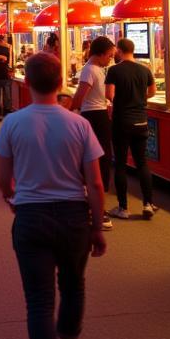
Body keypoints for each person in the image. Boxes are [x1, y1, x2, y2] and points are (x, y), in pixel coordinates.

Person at [0, 52, 107, 339]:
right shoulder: (78, 125)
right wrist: (95, 225)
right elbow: (94, 182)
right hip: (74, 216)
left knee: (40, 302)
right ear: (62, 83)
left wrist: (14, 199)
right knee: (73, 287)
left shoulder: (13, 123)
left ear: (26, 81)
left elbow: (3, 178)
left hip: (31, 217)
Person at [105, 38, 157, 221]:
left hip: (121, 122)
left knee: (120, 164)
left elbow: (109, 95)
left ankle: (123, 207)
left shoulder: (114, 70)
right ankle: (148, 204)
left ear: (119, 50)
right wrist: (139, 97)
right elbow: (153, 91)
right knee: (142, 163)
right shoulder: (145, 70)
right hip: (141, 122)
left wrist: (121, 98)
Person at [69, 36, 115, 231]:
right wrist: (72, 111)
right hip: (95, 117)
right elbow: (80, 95)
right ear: (100, 54)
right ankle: (96, 208)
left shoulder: (95, 69)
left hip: (97, 115)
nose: (110, 59)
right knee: (99, 161)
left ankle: (94, 204)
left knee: (99, 160)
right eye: (109, 56)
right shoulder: (90, 70)